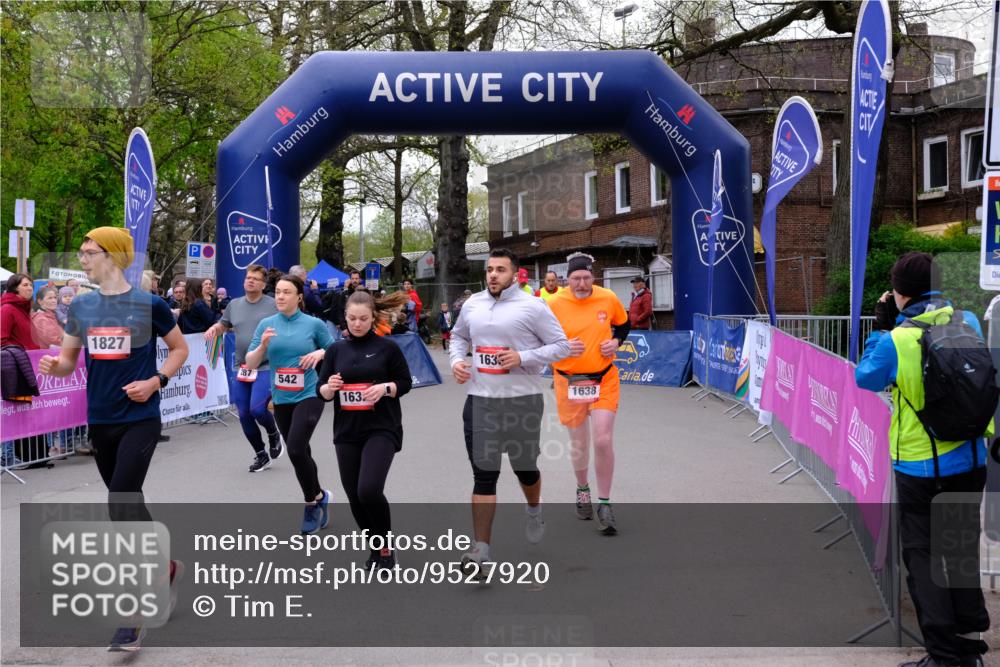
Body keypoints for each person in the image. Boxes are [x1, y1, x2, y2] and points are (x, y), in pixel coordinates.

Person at [38, 226, 188, 652]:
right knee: (129, 503)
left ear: (115, 255)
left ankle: (134, 614)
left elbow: (179, 350)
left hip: (140, 417)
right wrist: (56, 366)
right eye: (82, 251)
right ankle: (166, 567)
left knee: (120, 499)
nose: (82, 258)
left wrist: (155, 381)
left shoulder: (149, 304)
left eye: (90, 251)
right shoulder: (82, 307)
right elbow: (69, 361)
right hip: (101, 419)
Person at [855, 252, 992, 667]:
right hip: (971, 460)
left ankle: (944, 657)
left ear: (898, 292)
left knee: (924, 560)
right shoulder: (966, 320)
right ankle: (969, 649)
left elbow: (866, 377)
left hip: (920, 467)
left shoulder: (898, 338)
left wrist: (882, 326)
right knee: (961, 554)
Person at [449, 248, 570, 578]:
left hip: (522, 401)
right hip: (480, 401)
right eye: (489, 269)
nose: (492, 275)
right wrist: (457, 362)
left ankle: (534, 508)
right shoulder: (472, 304)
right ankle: (481, 551)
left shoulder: (533, 307)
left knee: (524, 468)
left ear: (515, 274)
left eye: (500, 270)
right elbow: (458, 337)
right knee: (484, 474)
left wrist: (523, 357)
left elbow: (561, 346)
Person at [317, 290, 412, 570]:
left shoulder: (387, 348)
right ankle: (375, 547)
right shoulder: (336, 350)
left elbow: (404, 383)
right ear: (344, 318)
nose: (357, 324)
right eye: (351, 318)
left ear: (373, 319)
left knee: (368, 489)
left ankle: (385, 550)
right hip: (347, 430)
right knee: (354, 495)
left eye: (363, 319)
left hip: (382, 426)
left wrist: (384, 388)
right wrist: (329, 388)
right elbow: (321, 391)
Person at [245, 274, 334, 534]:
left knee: (294, 449)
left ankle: (310, 505)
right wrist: (261, 347)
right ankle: (319, 495)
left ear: (299, 297)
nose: (281, 296)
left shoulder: (313, 324)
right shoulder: (266, 325)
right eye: (278, 292)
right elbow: (250, 363)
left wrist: (320, 352)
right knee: (301, 451)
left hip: (309, 393)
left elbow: (336, 349)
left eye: (287, 292)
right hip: (282, 397)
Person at [548, 252, 630, 535]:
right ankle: (583, 490)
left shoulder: (607, 297)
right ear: (566, 280)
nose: (581, 284)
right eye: (575, 279)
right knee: (580, 444)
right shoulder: (553, 303)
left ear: (592, 277)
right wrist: (561, 347)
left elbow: (624, 323)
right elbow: (538, 338)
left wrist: (616, 342)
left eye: (585, 278)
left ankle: (604, 503)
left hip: (604, 378)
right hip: (568, 381)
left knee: (603, 439)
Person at [204, 264, 283, 472]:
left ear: (263, 284)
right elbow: (225, 324)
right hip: (243, 366)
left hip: (266, 365)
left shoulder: (273, 305)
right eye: (248, 277)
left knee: (257, 409)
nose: (250, 281)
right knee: (244, 414)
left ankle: (273, 431)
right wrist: (216, 328)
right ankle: (260, 454)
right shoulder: (234, 305)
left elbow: (286, 325)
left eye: (256, 279)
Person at [1, 273, 40, 351]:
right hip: (20, 359)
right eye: (25, 285)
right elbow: (2, 340)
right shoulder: (7, 309)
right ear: (15, 288)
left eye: (31, 285)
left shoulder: (24, 308)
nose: (30, 288)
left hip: (31, 357)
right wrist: (21, 351)